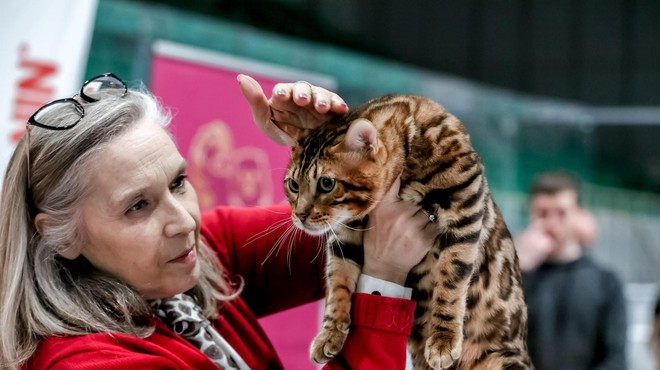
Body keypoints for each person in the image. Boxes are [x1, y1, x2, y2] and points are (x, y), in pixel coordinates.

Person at [0, 73, 440, 370]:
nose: (184, 222)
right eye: (138, 206)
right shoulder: (88, 363)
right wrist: (383, 278)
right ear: (61, 237)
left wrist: (329, 155)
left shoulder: (200, 251)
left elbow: (411, 212)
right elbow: (382, 244)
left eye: (178, 183)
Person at [515, 171, 627, 370]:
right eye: (542, 213)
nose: (551, 222)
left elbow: (616, 359)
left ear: (579, 215)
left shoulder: (605, 282)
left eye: (561, 213)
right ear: (531, 214)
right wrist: (519, 268)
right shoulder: (518, 278)